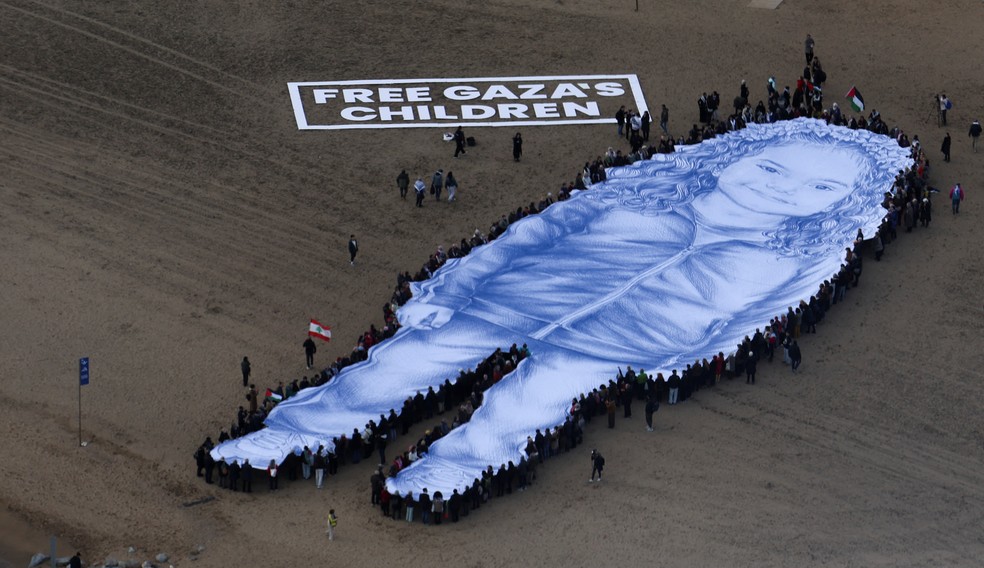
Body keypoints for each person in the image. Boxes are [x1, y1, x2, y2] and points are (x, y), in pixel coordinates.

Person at [220, 120, 910, 499]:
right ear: (727, 163)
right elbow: (536, 231)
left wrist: (686, 353)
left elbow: (760, 314)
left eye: (818, 186)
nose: (788, 192)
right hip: (513, 298)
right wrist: (457, 286)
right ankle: (296, 430)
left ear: (834, 204)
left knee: (526, 407)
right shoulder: (637, 198)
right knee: (398, 368)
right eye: (771, 169)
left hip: (617, 345)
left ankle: (456, 467)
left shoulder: (789, 257)